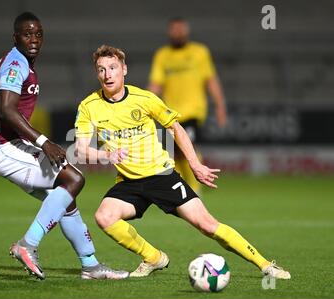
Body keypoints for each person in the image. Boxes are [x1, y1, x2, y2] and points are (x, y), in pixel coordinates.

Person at [74, 44, 290, 279]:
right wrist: (106, 155)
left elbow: (176, 129)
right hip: (128, 180)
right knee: (104, 217)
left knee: (207, 225)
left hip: (161, 176)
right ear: (97, 73)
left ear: (124, 69)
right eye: (101, 69)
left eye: (113, 67)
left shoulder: (144, 99)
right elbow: (82, 149)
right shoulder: (88, 106)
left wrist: (195, 164)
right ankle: (154, 258)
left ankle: (266, 265)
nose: (107, 74)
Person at [0, 13, 128, 281]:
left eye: (38, 33)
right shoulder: (16, 63)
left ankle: (90, 265)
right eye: (27, 34)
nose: (34, 39)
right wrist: (44, 142)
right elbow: (6, 111)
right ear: (15, 37)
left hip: (11, 146)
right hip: (4, 147)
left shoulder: (20, 62)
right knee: (74, 178)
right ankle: (28, 244)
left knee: (66, 200)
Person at [148, 17, 228, 195]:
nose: (177, 33)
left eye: (180, 30)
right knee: (176, 154)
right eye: (174, 30)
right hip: (170, 113)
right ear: (169, 32)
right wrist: (143, 103)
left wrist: (220, 105)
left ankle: (196, 188)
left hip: (193, 111)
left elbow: (211, 80)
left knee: (187, 148)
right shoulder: (163, 55)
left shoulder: (199, 52)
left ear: (186, 32)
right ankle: (189, 187)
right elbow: (156, 84)